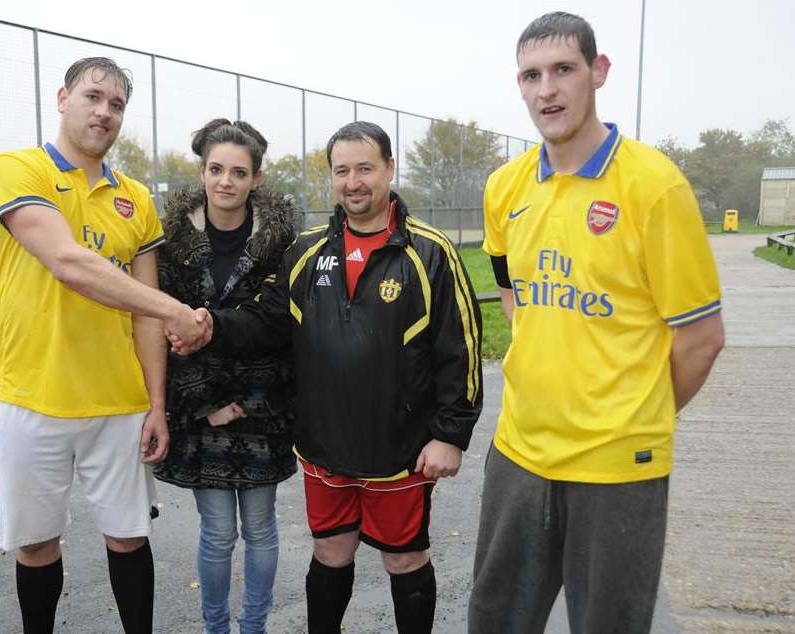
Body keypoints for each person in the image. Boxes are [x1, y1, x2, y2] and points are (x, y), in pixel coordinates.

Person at [467, 13, 725, 634]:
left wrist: (632, 411)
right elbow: (512, 294)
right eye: (532, 75)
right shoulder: (504, 188)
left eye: (563, 70)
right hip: (520, 453)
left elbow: (701, 340)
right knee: (494, 620)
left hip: (617, 466)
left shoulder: (655, 186)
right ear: (519, 85)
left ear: (598, 72)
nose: (547, 90)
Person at [177, 121, 484, 634]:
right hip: (324, 446)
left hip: (399, 450)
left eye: (365, 168)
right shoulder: (307, 250)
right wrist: (212, 324)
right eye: (342, 171)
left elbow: (462, 350)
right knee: (330, 552)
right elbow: (267, 319)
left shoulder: (429, 252)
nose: (353, 182)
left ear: (389, 168)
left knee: (405, 561)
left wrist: (450, 435)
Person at [0, 56, 209, 634]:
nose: (104, 111)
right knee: (35, 546)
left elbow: (143, 315)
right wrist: (182, 312)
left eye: (117, 105)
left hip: (119, 403)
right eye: (93, 97)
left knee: (130, 538)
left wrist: (156, 403)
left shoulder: (135, 196)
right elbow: (68, 263)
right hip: (34, 397)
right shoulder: (16, 169)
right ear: (63, 99)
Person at [154, 118, 297, 634]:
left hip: (263, 409)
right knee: (217, 533)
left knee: (260, 528)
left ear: (256, 178)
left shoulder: (283, 243)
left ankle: (253, 626)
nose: (226, 182)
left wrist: (250, 398)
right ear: (202, 171)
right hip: (201, 409)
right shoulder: (171, 242)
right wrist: (204, 403)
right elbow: (164, 323)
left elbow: (280, 326)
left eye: (239, 172)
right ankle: (216, 627)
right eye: (216, 169)